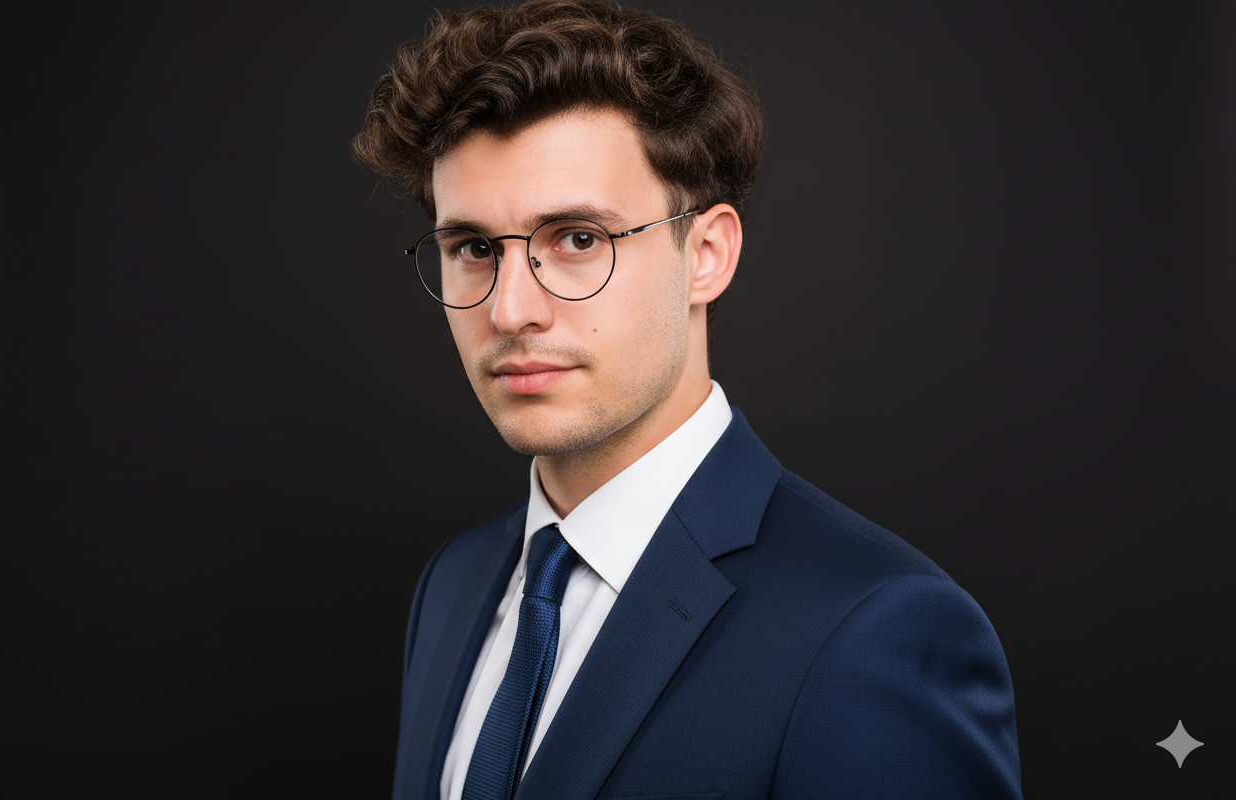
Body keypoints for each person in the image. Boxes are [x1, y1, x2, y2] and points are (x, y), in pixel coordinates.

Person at [353, 2, 1022, 798]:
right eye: (472, 249)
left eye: (576, 240)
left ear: (706, 255)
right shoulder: (455, 583)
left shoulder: (874, 631)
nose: (509, 310)